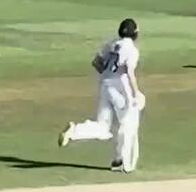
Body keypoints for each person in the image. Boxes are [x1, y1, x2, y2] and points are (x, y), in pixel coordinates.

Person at [58, 18, 145, 173]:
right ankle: (123, 162)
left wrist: (107, 75)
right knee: (128, 122)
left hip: (105, 84)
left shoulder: (112, 44)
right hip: (121, 86)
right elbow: (130, 72)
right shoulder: (132, 50)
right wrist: (136, 92)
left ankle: (75, 131)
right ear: (135, 33)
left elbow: (97, 62)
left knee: (103, 125)